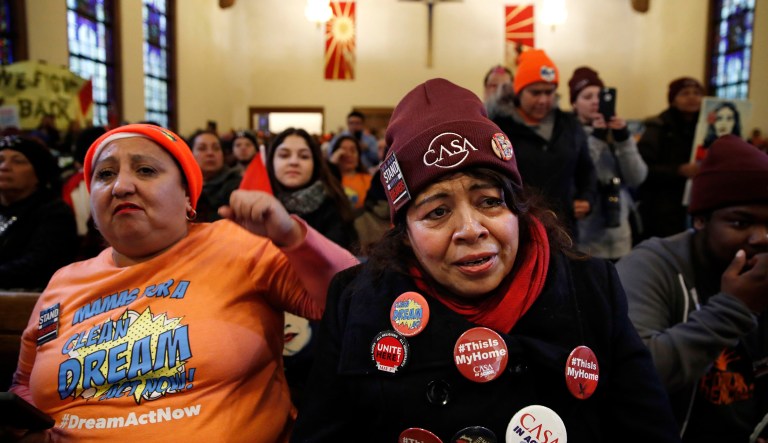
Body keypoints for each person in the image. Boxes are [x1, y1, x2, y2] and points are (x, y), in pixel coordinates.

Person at [291, 78, 680, 442]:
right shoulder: (358, 302)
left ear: (517, 207)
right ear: (404, 232)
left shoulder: (592, 288)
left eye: (490, 202)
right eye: (437, 212)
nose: (470, 229)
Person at [7, 124, 358, 442]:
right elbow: (24, 385)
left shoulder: (236, 245)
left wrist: (291, 236)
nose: (121, 186)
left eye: (145, 170)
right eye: (105, 174)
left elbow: (354, 298)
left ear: (188, 196)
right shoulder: (64, 282)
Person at [616, 135, 768, 442]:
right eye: (741, 223)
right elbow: (634, 376)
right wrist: (735, 308)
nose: (761, 238)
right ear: (699, 220)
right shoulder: (651, 266)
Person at [490, 49, 597, 239]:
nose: (543, 100)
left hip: (564, 228)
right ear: (519, 91)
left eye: (549, 92)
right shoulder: (500, 127)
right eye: (535, 92)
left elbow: (586, 169)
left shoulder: (569, 125)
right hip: (519, 228)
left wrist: (586, 198)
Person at [568, 66, 647, 260]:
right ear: (574, 104)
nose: (595, 102)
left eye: (599, 96)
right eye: (587, 97)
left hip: (621, 236)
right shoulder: (567, 135)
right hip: (586, 239)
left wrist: (623, 139)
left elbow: (637, 177)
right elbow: (574, 174)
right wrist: (596, 139)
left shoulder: (618, 134)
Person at [0, 135, 78, 290]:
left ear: (38, 173)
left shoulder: (54, 213)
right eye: (0, 159)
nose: (4, 167)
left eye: (18, 161)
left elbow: (35, 266)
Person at [636, 77, 704, 240]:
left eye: (697, 93)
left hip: (695, 203)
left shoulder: (707, 129)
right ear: (673, 99)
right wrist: (679, 170)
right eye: (685, 93)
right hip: (662, 207)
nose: (692, 97)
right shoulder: (658, 127)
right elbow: (642, 169)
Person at [189, 130, 243, 222]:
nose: (210, 153)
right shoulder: (183, 188)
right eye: (202, 148)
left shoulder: (237, 186)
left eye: (216, 148)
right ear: (190, 154)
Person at [329, 135, 372, 211]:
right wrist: (332, 162)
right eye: (343, 151)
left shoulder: (369, 179)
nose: (348, 155)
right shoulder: (331, 180)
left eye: (353, 151)